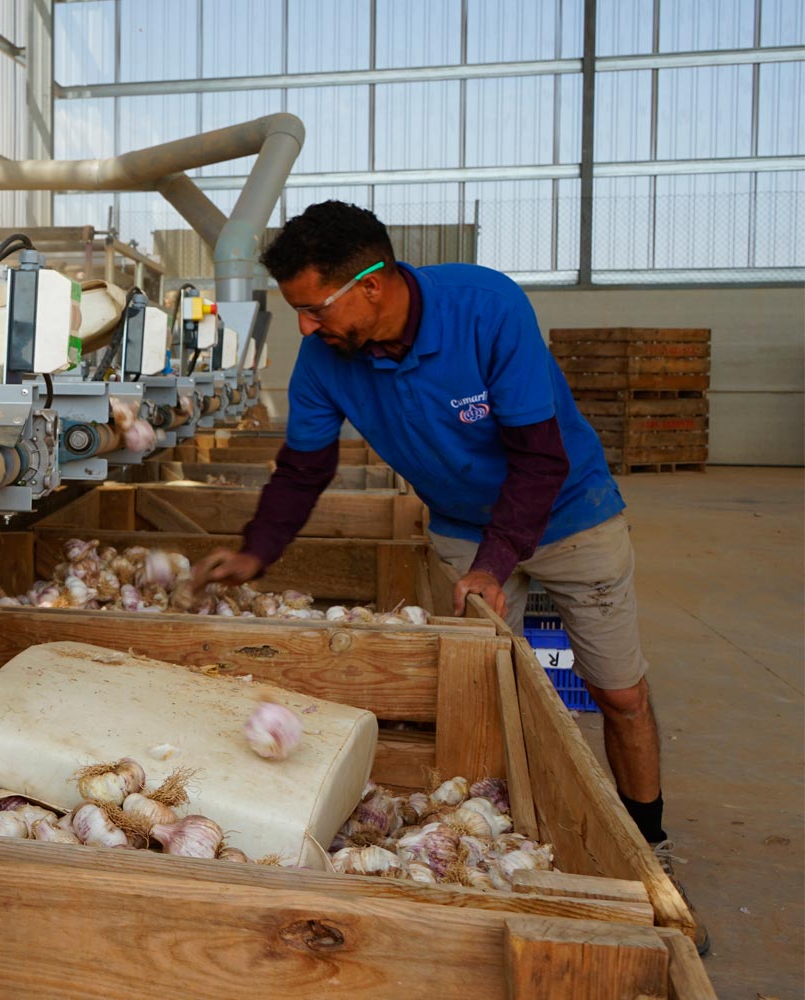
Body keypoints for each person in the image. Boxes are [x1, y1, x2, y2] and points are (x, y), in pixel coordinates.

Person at [192, 200, 704, 952]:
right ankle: (502, 846)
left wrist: (500, 565)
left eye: (312, 308)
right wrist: (255, 551)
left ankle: (650, 848)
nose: (305, 326)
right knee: (476, 694)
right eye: (296, 311)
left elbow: (540, 457)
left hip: (570, 515)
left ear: (370, 285)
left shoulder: (485, 307)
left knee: (619, 694)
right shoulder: (326, 359)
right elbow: (305, 466)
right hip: (463, 526)